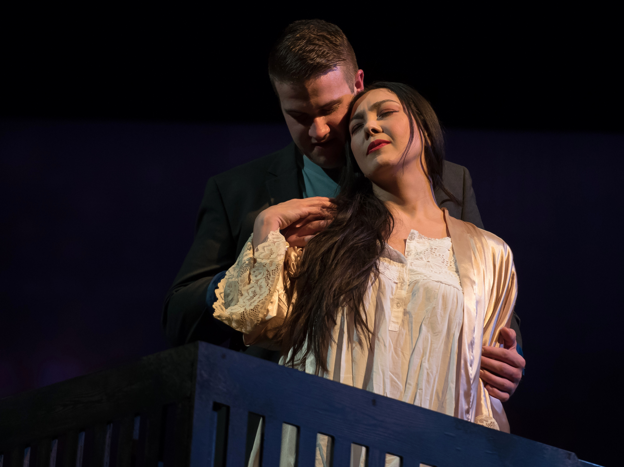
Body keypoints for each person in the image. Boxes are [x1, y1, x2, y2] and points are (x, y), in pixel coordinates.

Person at [162, 19, 524, 404]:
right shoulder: (239, 192)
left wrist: (507, 358)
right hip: (280, 414)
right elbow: (179, 318)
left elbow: (484, 289)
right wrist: (259, 257)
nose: (318, 131)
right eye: (299, 116)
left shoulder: (449, 181)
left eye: (331, 109)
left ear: (358, 84)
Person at [212, 82, 517, 467]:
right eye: (356, 126)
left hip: (429, 446)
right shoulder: (325, 231)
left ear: (423, 127)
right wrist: (266, 227)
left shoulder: (490, 253)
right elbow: (260, 324)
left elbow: (483, 384)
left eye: (385, 113)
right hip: (323, 442)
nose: (370, 127)